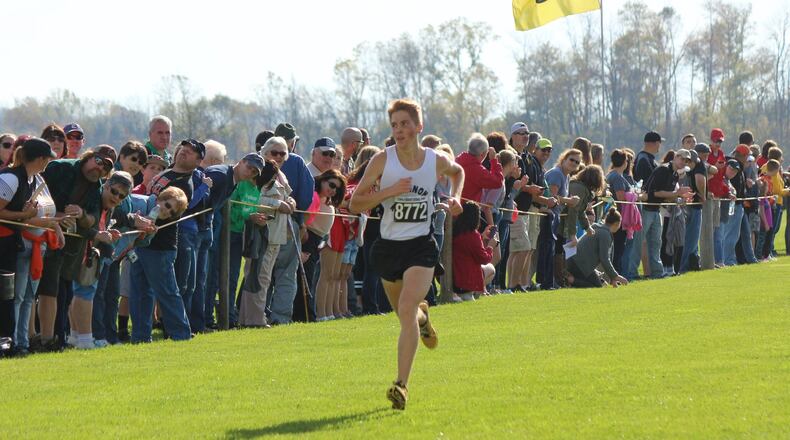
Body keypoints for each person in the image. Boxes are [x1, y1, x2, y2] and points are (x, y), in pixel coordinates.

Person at [349, 98, 464, 410]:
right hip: (388, 247)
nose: (399, 130)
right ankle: (423, 318)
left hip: (421, 245)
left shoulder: (434, 160)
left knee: (406, 306)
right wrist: (388, 192)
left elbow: (458, 172)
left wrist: (455, 198)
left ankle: (401, 386)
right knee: (406, 314)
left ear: (418, 126)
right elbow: (354, 204)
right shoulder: (382, 162)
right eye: (395, 125)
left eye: (405, 124)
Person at [34, 145, 115, 351]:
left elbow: (93, 221)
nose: (99, 168)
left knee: (63, 293)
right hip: (37, 234)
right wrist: (57, 215)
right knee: (34, 292)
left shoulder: (96, 187)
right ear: (88, 156)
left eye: (106, 168)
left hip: (69, 245)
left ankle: (57, 339)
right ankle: (36, 339)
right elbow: (34, 196)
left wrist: (81, 214)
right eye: (98, 161)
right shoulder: (60, 167)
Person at [0, 138, 60, 349]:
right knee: (9, 297)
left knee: (14, 297)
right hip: (3, 242)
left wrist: (27, 215)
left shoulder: (30, 179)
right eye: (46, 159)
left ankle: (18, 342)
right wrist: (24, 214)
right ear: (41, 158)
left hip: (10, 242)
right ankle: (11, 342)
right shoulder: (10, 178)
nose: (47, 164)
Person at [266, 122, 314, 324]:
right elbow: (306, 195)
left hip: (263, 222)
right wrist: (301, 221)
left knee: (263, 273)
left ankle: (257, 314)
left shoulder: (260, 158)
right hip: (289, 224)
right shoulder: (296, 161)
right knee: (286, 274)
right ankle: (281, 317)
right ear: (292, 142)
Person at [238, 143, 288, 327]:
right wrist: (278, 204)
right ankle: (255, 319)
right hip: (263, 238)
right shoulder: (258, 187)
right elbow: (255, 201)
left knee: (259, 278)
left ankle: (247, 318)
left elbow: (287, 196)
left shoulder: (277, 182)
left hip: (275, 237)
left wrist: (288, 201)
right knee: (259, 278)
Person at [641, 149, 693, 278]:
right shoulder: (663, 169)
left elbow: (666, 197)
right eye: (682, 159)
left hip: (656, 210)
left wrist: (680, 198)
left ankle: (657, 273)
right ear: (675, 157)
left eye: (686, 161)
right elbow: (655, 193)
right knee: (638, 243)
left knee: (656, 243)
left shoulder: (675, 174)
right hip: (646, 208)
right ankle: (629, 273)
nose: (683, 162)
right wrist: (677, 194)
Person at [543, 149, 582, 288]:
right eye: (572, 159)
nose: (574, 163)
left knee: (554, 251)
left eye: (577, 162)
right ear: (564, 158)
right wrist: (569, 201)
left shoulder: (565, 175)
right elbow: (552, 198)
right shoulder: (556, 173)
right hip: (547, 216)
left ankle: (553, 282)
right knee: (547, 252)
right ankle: (546, 282)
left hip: (555, 217)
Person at [311, 169, 347, 321]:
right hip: (319, 238)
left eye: (337, 188)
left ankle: (329, 312)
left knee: (332, 276)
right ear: (323, 180)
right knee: (325, 275)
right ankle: (321, 313)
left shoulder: (328, 200)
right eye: (331, 185)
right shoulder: (315, 195)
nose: (333, 190)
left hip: (327, 237)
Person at [566, 208, 629, 288]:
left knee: (602, 283)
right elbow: (604, 259)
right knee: (597, 286)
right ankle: (570, 280)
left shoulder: (600, 229)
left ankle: (571, 279)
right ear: (617, 223)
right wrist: (616, 276)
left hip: (573, 261)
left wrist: (612, 278)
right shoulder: (605, 234)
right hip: (579, 264)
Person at [452, 202, 496, 301]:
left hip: (454, 276)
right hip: (465, 280)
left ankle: (476, 292)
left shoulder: (455, 231)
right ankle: (476, 292)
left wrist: (482, 237)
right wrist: (490, 247)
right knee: (491, 268)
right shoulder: (472, 235)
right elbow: (484, 259)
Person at [679, 143, 711, 273]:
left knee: (685, 237)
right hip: (694, 205)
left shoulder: (682, 169)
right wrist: (702, 196)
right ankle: (683, 267)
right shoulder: (698, 166)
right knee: (691, 239)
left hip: (684, 204)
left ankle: (688, 264)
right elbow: (700, 180)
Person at [456, 133, 503, 205]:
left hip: (453, 208)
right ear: (483, 154)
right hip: (468, 211)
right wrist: (494, 161)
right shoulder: (477, 170)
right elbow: (497, 182)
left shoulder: (457, 161)